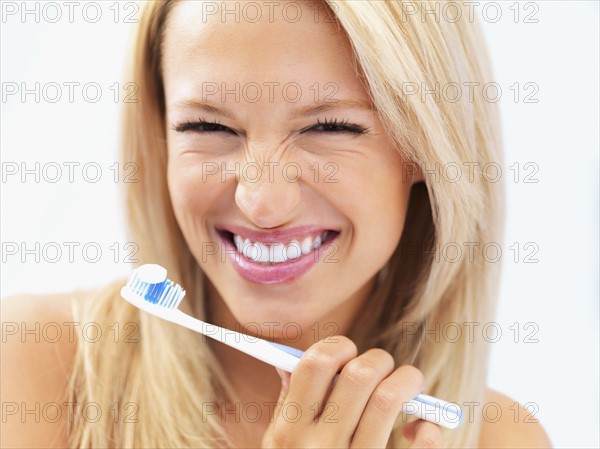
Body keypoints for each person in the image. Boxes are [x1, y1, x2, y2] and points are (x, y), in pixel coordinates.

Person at [2, 1, 552, 448]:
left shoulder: (501, 438)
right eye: (208, 125)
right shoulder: (28, 365)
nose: (262, 202)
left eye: (331, 126)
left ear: (427, 151)